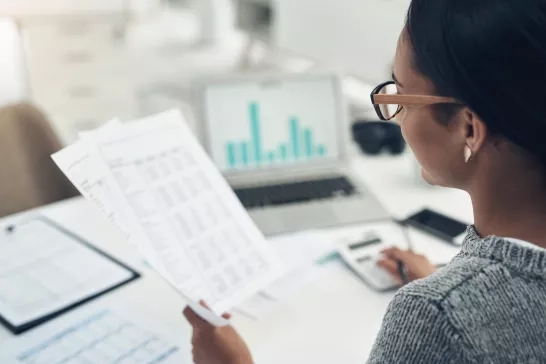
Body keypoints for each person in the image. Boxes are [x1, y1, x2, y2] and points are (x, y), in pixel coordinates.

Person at [183, 0, 546, 362]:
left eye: (402, 96)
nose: (396, 117)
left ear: (469, 128)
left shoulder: (436, 315)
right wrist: (453, 282)